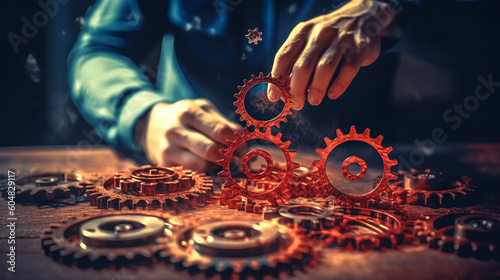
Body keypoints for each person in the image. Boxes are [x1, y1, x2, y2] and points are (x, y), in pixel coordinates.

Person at [68, 0, 498, 172]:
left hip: (351, 184)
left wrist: (393, 8)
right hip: (193, 174)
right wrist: (142, 115)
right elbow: (97, 49)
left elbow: (483, 38)